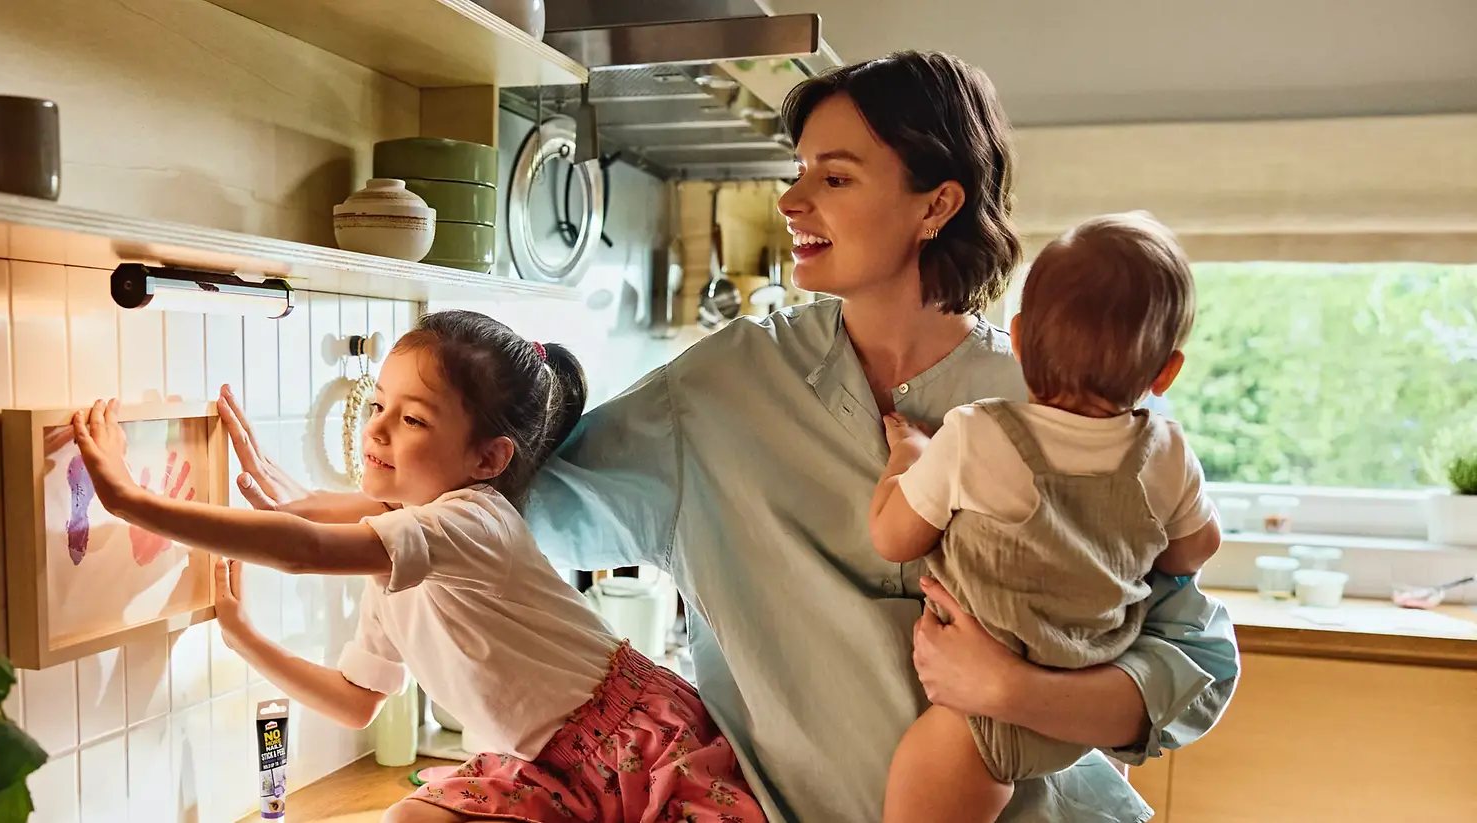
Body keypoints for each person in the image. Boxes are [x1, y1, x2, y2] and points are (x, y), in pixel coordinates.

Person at [226, 51, 1240, 822]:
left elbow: (1197, 664)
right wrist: (321, 493)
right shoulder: (717, 392)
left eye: (836, 178)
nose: (793, 200)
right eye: (797, 170)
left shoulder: (1058, 404)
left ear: (937, 203)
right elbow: (500, 506)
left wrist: (1016, 691)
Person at [71, 310, 768, 823]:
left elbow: (309, 546)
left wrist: (131, 499)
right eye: (378, 405)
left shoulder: (473, 519)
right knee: (409, 818)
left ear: (487, 459)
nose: (376, 428)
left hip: (640, 747)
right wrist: (242, 634)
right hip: (546, 769)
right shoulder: (399, 567)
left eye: (412, 419)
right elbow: (354, 696)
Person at [869, 212, 1225, 823]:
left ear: (1018, 335)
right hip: (1086, 713)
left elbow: (893, 538)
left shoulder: (976, 435)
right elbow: (1195, 552)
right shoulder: (1166, 452)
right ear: (1167, 371)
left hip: (973, 729)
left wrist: (908, 455)